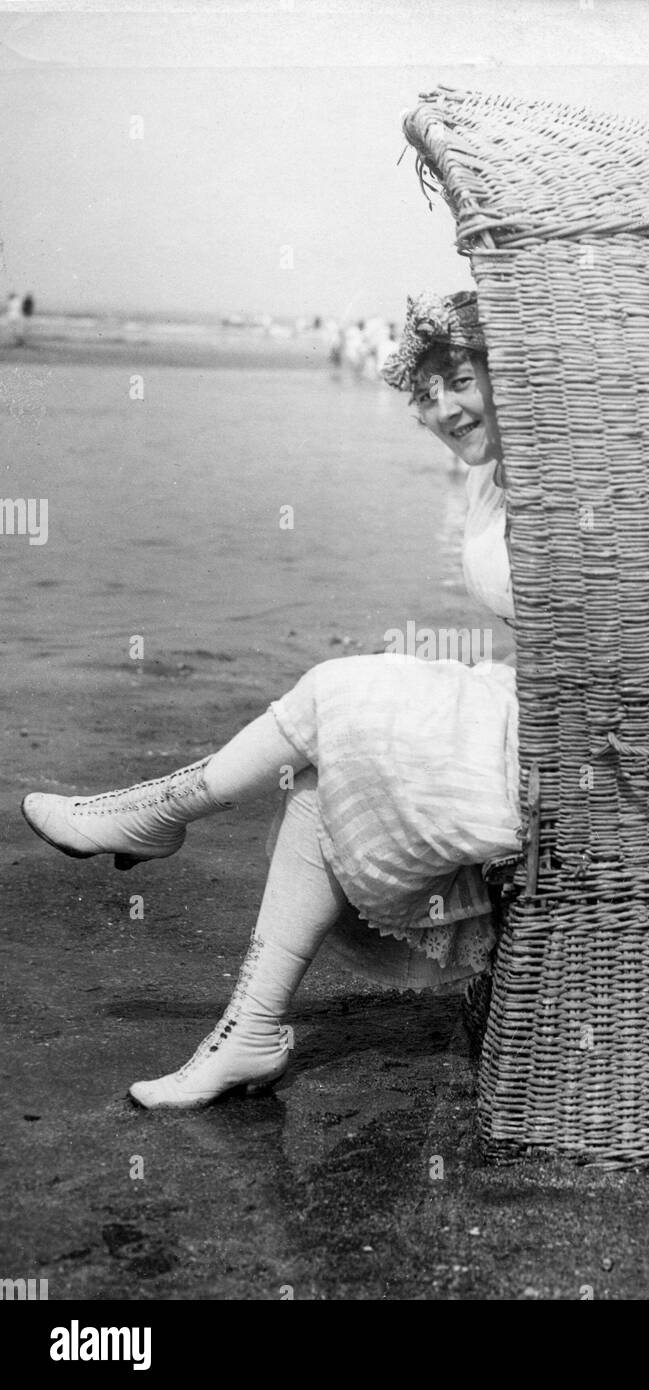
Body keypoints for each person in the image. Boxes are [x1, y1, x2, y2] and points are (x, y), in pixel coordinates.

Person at [21, 289, 521, 1110]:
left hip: (567, 738)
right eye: (423, 393)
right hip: (523, 701)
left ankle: (157, 812)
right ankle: (249, 1031)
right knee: (318, 792)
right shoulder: (490, 477)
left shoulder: (565, 467)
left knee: (337, 689)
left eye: (458, 380)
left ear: (513, 370)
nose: (440, 407)